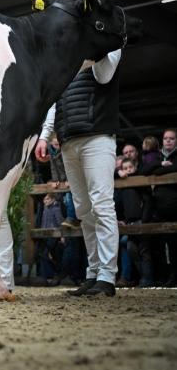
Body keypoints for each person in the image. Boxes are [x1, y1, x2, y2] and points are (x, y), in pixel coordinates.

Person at [35, 49, 122, 297]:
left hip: (97, 135)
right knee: (83, 209)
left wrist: (95, 47)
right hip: (68, 139)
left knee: (101, 205)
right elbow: (55, 101)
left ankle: (107, 276)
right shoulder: (65, 58)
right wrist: (45, 135)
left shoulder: (110, 47)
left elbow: (104, 76)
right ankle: (93, 273)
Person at [140, 128, 177, 286]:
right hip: (159, 206)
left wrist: (159, 170)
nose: (168, 141)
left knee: (175, 245)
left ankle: (174, 277)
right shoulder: (157, 156)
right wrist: (161, 164)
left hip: (175, 205)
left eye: (172, 138)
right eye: (166, 138)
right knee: (161, 245)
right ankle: (164, 276)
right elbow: (144, 170)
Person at [116, 158, 153, 287]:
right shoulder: (123, 185)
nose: (128, 171)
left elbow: (147, 201)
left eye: (130, 168)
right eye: (125, 169)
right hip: (130, 223)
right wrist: (124, 220)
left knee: (144, 250)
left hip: (141, 221)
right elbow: (125, 207)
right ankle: (143, 277)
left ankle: (147, 279)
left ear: (135, 167)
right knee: (131, 248)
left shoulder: (139, 181)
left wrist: (144, 219)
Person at [37, 194, 65, 284]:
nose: (45, 201)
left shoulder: (56, 209)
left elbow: (60, 222)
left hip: (53, 236)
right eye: (44, 199)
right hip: (45, 236)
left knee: (50, 255)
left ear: (53, 200)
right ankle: (50, 276)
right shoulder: (45, 210)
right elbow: (43, 223)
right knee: (44, 254)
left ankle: (54, 275)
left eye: (47, 199)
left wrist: (62, 236)